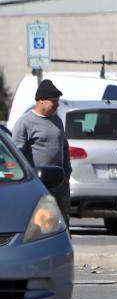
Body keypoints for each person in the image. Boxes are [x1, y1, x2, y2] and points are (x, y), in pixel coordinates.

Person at [13, 79, 72, 224]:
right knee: (38, 225)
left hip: (60, 183)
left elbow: (64, 146)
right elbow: (17, 155)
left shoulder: (56, 120)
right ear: (41, 101)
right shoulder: (24, 123)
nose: (57, 105)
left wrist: (67, 170)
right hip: (37, 184)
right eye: (54, 101)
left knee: (62, 223)